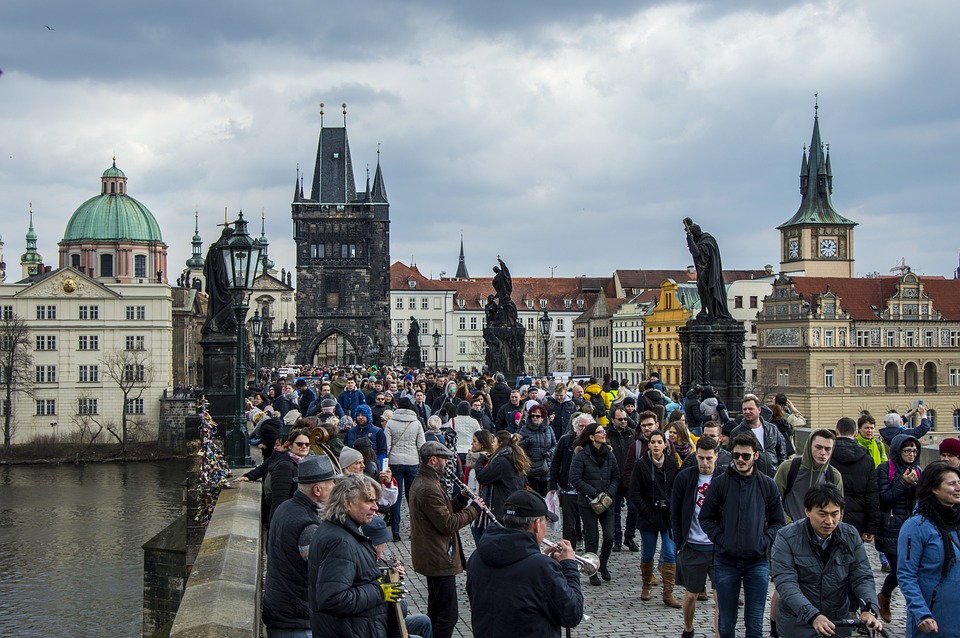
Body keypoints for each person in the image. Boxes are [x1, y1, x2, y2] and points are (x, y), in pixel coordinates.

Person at [699, 432, 785, 638]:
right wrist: (721, 539)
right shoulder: (720, 483)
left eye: (746, 456)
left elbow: (778, 521)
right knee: (726, 622)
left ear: (755, 456)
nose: (740, 460)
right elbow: (706, 518)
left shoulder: (767, 484)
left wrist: (763, 541)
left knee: (755, 624)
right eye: (736, 455)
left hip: (757, 562)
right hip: (726, 561)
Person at [466, 490, 584, 638]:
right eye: (545, 522)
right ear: (536, 525)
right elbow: (572, 614)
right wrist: (569, 566)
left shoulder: (477, 556)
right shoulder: (541, 568)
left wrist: (537, 560)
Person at [770, 484, 883, 638]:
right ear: (807, 511)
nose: (829, 521)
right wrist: (812, 616)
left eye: (835, 514)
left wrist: (869, 609)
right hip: (798, 624)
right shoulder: (786, 537)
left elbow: (862, 576)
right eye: (822, 514)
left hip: (837, 622)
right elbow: (786, 583)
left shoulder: (850, 535)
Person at [408, 441, 484, 638]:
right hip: (438, 557)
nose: (447, 463)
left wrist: (461, 499)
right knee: (448, 615)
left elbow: (442, 512)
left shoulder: (428, 481)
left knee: (436, 611)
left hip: (434, 555)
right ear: (433, 460)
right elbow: (448, 524)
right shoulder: (428, 487)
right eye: (444, 459)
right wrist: (474, 510)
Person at [307, 473, 395, 638]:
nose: (375, 507)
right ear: (347, 503)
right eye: (369, 501)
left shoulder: (341, 531)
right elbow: (333, 598)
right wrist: (379, 591)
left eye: (375, 501)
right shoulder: (341, 542)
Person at [262, 455, 338, 637]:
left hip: (283, 613)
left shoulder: (287, 507)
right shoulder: (308, 525)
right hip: (297, 621)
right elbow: (326, 575)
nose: (335, 488)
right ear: (317, 490)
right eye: (332, 483)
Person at [898, 462, 960, 638]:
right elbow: (906, 574)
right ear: (934, 489)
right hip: (933, 618)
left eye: (959, 483)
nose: (958, 488)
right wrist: (921, 612)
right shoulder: (916, 526)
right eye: (951, 484)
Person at [671, 436, 723, 638]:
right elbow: (675, 511)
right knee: (691, 594)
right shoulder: (685, 478)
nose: (705, 463)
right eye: (701, 458)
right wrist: (678, 542)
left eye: (709, 458)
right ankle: (688, 629)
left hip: (718, 547)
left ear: (716, 456)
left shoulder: (724, 478)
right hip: (692, 545)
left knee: (721, 597)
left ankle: (720, 634)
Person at [630, 429, 681, 607]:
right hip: (648, 515)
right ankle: (646, 584)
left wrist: (672, 507)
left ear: (665, 445)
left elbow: (678, 490)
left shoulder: (673, 464)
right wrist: (646, 510)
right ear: (649, 445)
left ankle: (668, 593)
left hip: (667, 516)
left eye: (659, 442)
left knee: (669, 552)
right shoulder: (641, 464)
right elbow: (634, 493)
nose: (656, 445)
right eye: (653, 442)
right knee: (647, 553)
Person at [876, 433, 922, 623]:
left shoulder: (918, 471)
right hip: (890, 526)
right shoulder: (886, 469)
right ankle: (885, 597)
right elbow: (884, 498)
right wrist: (904, 484)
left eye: (914, 450)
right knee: (899, 570)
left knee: (910, 570)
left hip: (911, 528)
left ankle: (885, 595)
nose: (911, 454)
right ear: (897, 451)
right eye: (907, 450)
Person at [361, 516, 433, 638]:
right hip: (380, 624)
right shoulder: (369, 566)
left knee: (424, 621)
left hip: (383, 621)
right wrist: (393, 582)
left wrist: (395, 576)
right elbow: (399, 609)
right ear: (378, 545)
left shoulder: (377, 561)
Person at [569, 422, 620, 586]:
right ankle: (592, 569)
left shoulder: (609, 455)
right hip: (587, 503)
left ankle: (603, 563)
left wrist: (609, 494)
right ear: (592, 437)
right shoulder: (581, 455)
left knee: (610, 536)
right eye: (600, 432)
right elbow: (575, 479)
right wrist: (594, 493)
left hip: (607, 502)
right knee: (592, 538)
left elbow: (616, 477)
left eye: (604, 431)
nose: (604, 434)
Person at [831, 417, 881, 543]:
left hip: (830, 515)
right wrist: (871, 528)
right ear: (855, 434)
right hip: (858, 521)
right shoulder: (867, 459)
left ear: (837, 432)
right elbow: (872, 496)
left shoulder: (827, 456)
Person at [474, 430, 529, 541]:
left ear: (500, 443)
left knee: (484, 536)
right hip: (510, 504)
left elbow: (482, 477)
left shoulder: (501, 461)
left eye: (494, 441)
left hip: (500, 508)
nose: (492, 444)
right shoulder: (513, 456)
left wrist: (480, 460)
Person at [385, 397, 426, 543]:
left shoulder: (390, 422)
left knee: (396, 497)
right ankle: (415, 530)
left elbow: (387, 446)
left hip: (395, 462)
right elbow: (422, 445)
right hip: (412, 461)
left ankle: (395, 532)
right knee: (412, 498)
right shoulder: (416, 423)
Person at [549, 413, 592, 548]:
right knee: (569, 524)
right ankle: (568, 551)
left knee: (589, 524)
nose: (583, 428)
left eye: (586, 426)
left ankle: (590, 552)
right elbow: (555, 463)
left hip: (588, 489)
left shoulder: (594, 442)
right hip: (568, 489)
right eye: (581, 426)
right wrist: (553, 484)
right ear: (575, 426)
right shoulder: (565, 440)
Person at [727, 394, 787, 478]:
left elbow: (781, 454)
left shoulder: (772, 429)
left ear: (759, 410)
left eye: (750, 409)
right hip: (751, 479)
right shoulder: (737, 432)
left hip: (773, 478)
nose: (747, 412)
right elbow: (731, 458)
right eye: (745, 409)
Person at [268, 428, 314, 523]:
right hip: (287, 520)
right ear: (290, 446)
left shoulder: (306, 463)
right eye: (299, 444)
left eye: (307, 444)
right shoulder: (285, 466)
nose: (304, 447)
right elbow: (280, 501)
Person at [607, 407, 636, 553]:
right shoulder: (607, 435)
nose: (624, 421)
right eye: (620, 419)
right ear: (613, 420)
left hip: (630, 479)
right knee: (615, 512)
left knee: (634, 509)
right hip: (614, 480)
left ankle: (629, 537)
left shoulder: (631, 434)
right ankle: (617, 540)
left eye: (625, 419)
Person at [518, 403, 556, 496]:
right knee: (533, 495)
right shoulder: (524, 429)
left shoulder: (549, 429)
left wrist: (550, 452)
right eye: (533, 416)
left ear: (543, 417)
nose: (535, 418)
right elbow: (517, 447)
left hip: (546, 466)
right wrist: (525, 442)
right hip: (531, 468)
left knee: (544, 495)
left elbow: (555, 445)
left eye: (538, 416)